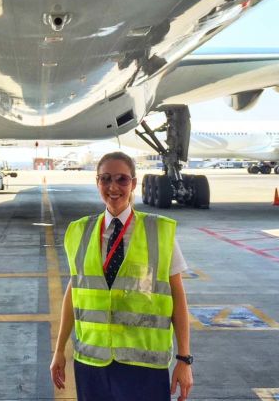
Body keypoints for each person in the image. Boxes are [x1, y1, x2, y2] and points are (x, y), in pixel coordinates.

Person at [50, 151, 193, 401]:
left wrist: (184, 359)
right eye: (105, 179)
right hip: (92, 363)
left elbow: (178, 299)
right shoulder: (79, 231)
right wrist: (59, 350)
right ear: (97, 183)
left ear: (134, 183)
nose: (113, 187)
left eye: (121, 179)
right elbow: (74, 292)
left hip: (144, 366)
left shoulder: (159, 230)